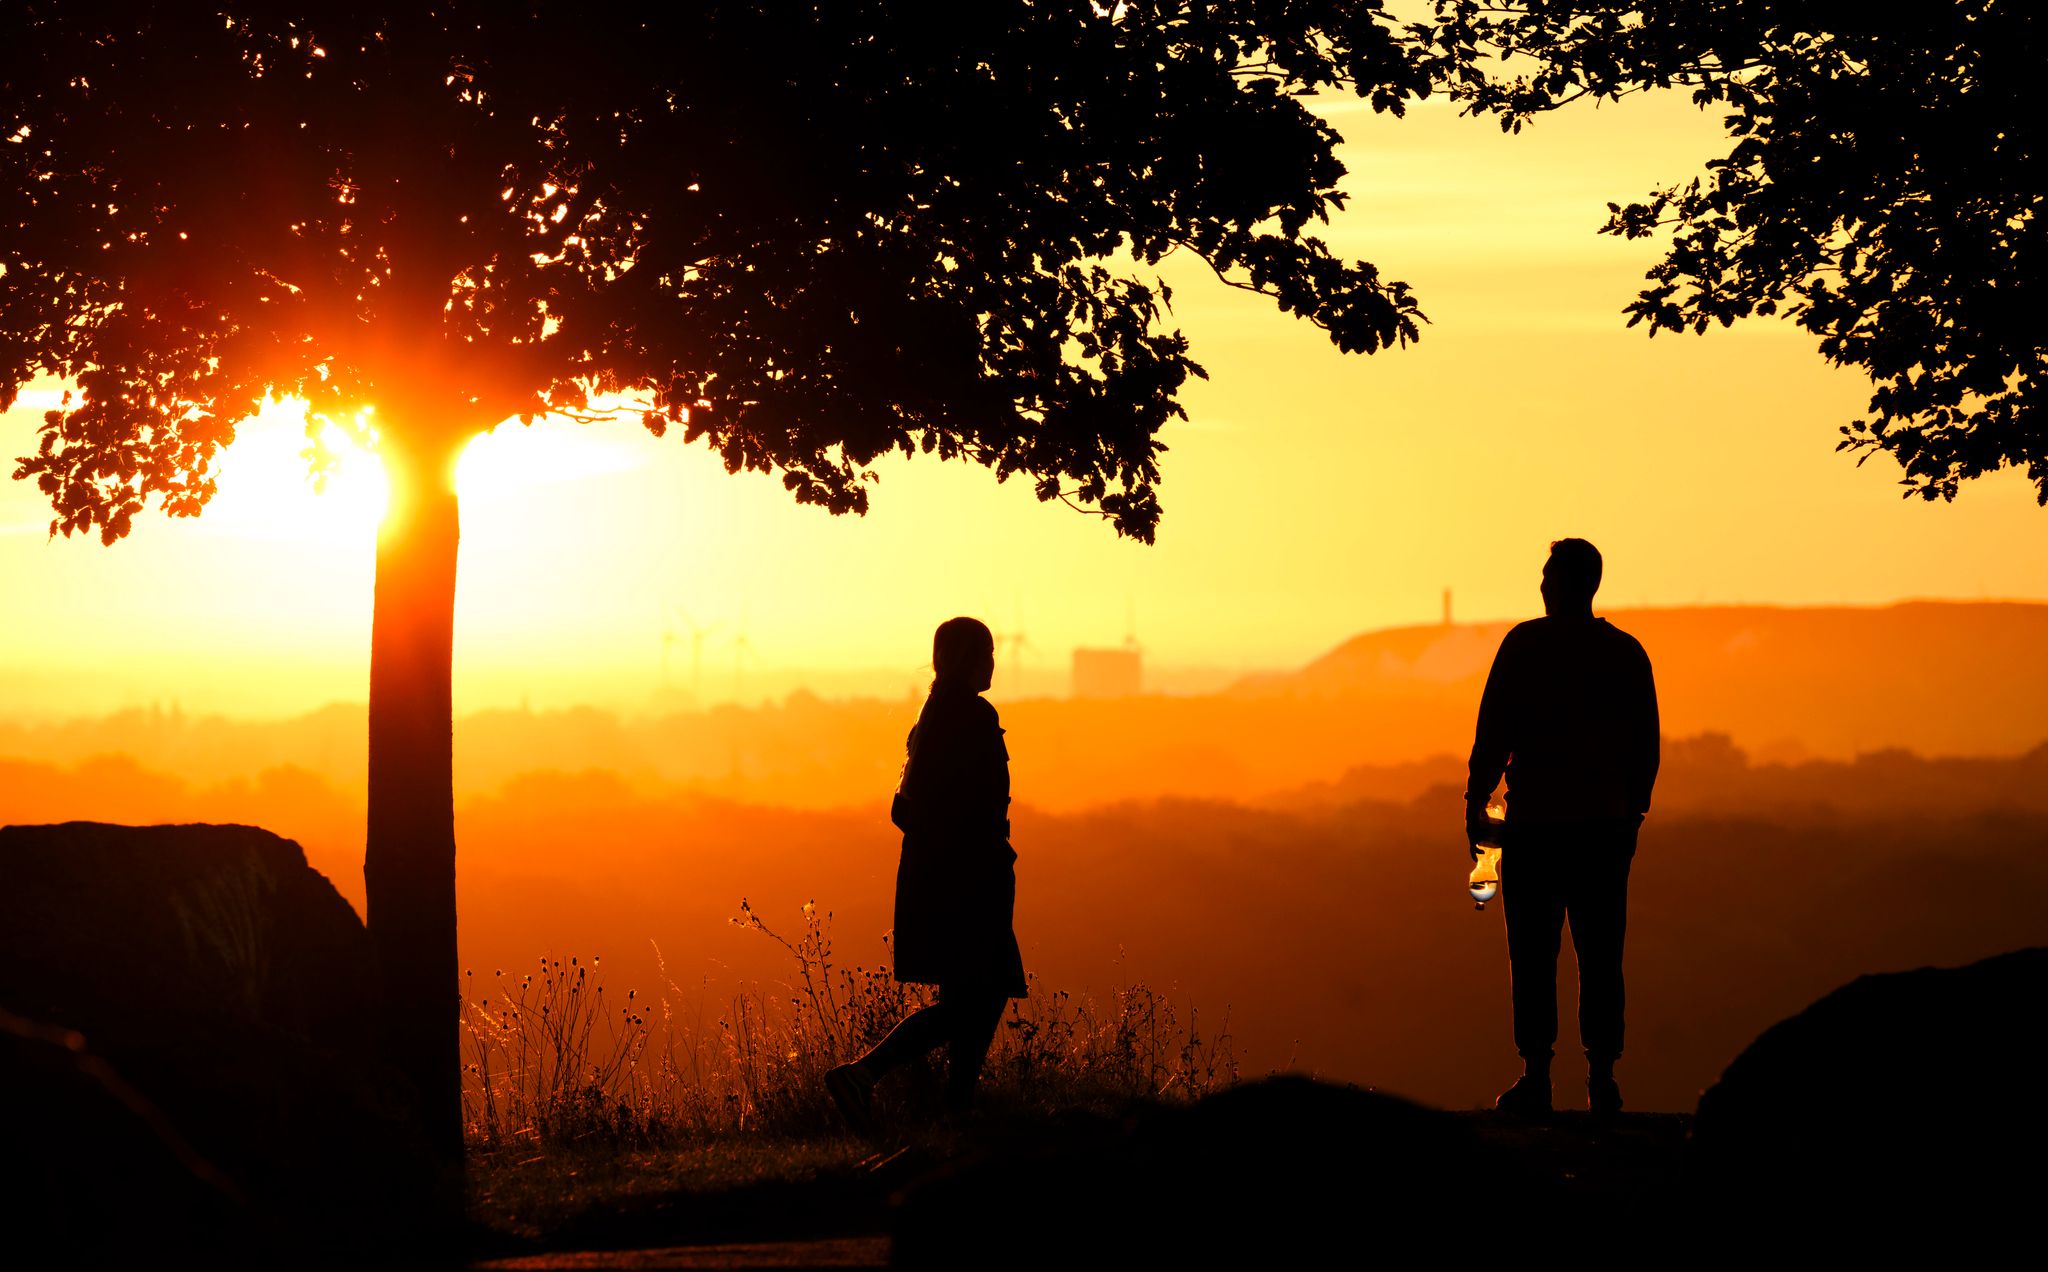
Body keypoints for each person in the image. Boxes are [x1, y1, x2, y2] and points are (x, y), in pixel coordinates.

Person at [1466, 538, 1659, 1116]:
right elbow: (1645, 747)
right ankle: (1602, 1077)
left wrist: (1477, 803)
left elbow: (1493, 731)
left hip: (1538, 827)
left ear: (1563, 583)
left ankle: (1537, 1074)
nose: (1543, 583)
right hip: (1602, 827)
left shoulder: (1524, 645)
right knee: (1601, 954)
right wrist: (1633, 815)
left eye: (1549, 573)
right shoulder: (1625, 653)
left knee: (1532, 953)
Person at [826, 617, 1028, 1135]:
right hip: (967, 881)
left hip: (944, 878)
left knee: (976, 995)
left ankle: (956, 1105)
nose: (994, 663)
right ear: (966, 660)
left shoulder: (935, 717)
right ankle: (865, 1075)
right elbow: (966, 806)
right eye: (986, 653)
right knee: (976, 997)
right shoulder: (971, 717)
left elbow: (906, 810)